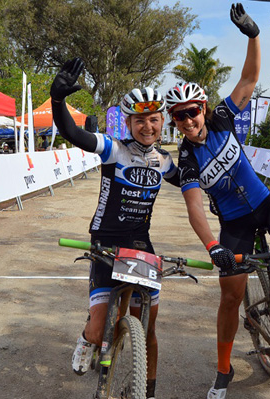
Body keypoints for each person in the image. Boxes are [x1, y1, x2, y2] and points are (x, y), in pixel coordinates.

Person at [165, 4, 270, 398]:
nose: (188, 120)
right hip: (235, 225)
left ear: (202, 109)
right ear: (175, 121)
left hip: (266, 204)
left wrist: (253, 35)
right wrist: (212, 246)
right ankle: (223, 369)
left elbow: (250, 78)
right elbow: (195, 208)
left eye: (192, 112)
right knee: (230, 295)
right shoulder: (186, 159)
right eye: (179, 116)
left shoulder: (221, 117)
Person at [50, 58, 179, 399]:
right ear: (129, 121)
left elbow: (194, 185)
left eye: (153, 119)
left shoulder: (164, 161)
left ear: (162, 120)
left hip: (140, 244)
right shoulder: (113, 149)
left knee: (148, 330)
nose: (147, 126)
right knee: (97, 333)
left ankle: (146, 391)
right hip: (105, 243)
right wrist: (58, 101)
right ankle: (86, 339)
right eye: (140, 119)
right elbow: (73, 133)